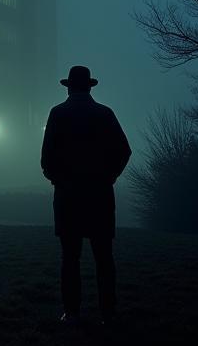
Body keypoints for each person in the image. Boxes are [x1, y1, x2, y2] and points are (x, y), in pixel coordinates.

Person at [41, 65, 132, 325]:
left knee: (70, 258)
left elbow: (47, 156)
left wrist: (57, 178)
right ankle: (108, 312)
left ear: (69, 87)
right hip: (100, 196)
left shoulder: (58, 114)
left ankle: (71, 312)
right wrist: (109, 176)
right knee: (104, 257)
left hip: (68, 196)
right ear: (90, 87)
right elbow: (124, 150)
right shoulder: (105, 114)